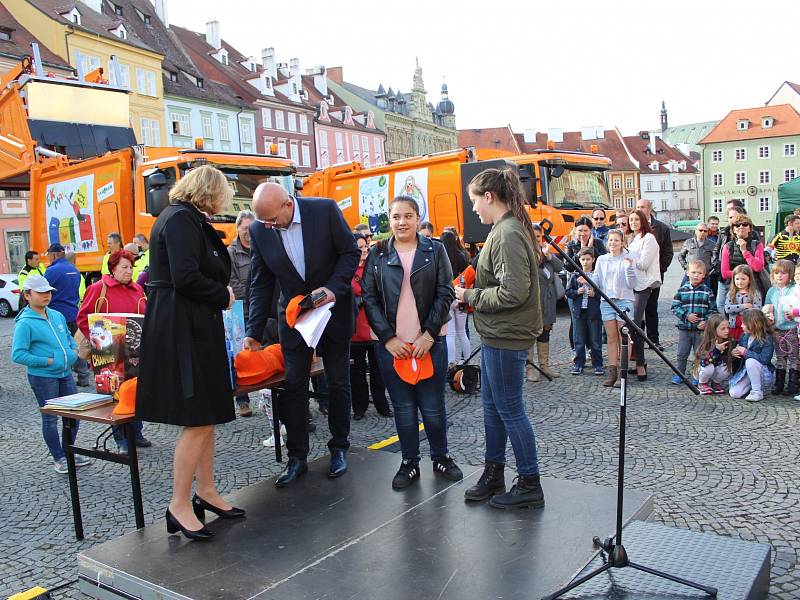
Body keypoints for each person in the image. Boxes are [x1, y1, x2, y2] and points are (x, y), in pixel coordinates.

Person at [137, 165, 243, 541]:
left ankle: (206, 491)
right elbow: (185, 276)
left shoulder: (185, 217)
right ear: (209, 192)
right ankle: (178, 504)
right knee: (197, 416)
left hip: (195, 324)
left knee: (207, 414)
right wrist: (223, 295)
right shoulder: (180, 219)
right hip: (184, 327)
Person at [245, 182, 360, 486]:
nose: (269, 226)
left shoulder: (324, 210)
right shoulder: (260, 230)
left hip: (332, 311)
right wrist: (253, 332)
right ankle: (298, 457)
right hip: (294, 319)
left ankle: (339, 448)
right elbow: (260, 283)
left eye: (272, 219)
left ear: (287, 204)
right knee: (293, 385)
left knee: (337, 382)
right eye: (264, 222)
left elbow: (350, 253)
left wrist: (333, 289)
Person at [454, 168, 545, 510]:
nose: (473, 208)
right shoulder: (504, 229)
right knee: (493, 408)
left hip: (507, 336)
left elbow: (514, 292)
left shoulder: (506, 233)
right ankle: (494, 474)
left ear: (489, 197)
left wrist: (470, 296)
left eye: (475, 201)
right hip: (498, 335)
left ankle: (530, 483)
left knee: (509, 409)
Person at [362, 196, 462, 490]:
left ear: (418, 218)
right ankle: (409, 463)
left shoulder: (436, 249)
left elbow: (445, 292)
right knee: (404, 408)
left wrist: (429, 334)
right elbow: (368, 298)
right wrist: (388, 338)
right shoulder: (378, 254)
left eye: (408, 216)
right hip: (392, 347)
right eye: (396, 217)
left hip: (431, 343)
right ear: (389, 220)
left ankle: (441, 457)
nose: (402, 222)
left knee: (432, 406)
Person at [11, 274, 92, 474]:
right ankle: (59, 457)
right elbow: (18, 354)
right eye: (41, 292)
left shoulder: (56, 315)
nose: (46, 295)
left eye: (48, 291)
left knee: (73, 414)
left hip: (64, 372)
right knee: (50, 419)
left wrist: (73, 352)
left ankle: (68, 452)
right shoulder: (25, 323)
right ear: (28, 295)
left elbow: (68, 337)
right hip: (43, 376)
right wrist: (48, 361)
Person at [77, 249, 149, 452]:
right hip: (109, 354)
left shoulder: (137, 289)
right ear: (113, 268)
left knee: (136, 391)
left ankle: (137, 432)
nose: (129, 271)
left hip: (136, 352)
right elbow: (83, 318)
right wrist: (99, 341)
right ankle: (122, 440)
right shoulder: (99, 288)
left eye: (131, 267)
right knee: (115, 396)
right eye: (124, 267)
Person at [350, 233, 391, 420]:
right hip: (355, 330)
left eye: (365, 247)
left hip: (375, 328)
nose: (364, 251)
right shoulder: (347, 270)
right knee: (356, 373)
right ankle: (360, 407)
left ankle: (382, 404)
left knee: (378, 370)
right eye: (360, 248)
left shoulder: (374, 268)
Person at [594, 229, 637, 387]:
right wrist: (587, 282)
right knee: (611, 338)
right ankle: (612, 372)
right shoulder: (602, 260)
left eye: (616, 240)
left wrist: (629, 268)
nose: (613, 243)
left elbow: (632, 284)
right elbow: (596, 280)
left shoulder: (628, 258)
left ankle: (623, 373)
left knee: (624, 338)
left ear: (622, 242)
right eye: (610, 240)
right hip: (606, 302)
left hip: (624, 301)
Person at [43, 243, 90, 387]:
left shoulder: (52, 271)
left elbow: (43, 291)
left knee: (60, 346)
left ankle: (65, 376)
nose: (49, 258)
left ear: (55, 254)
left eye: (49, 255)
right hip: (74, 313)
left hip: (57, 314)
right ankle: (84, 377)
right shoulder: (74, 270)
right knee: (75, 345)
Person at [228, 209, 256, 418]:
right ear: (238, 228)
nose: (248, 232)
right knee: (240, 356)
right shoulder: (230, 253)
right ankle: (243, 400)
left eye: (250, 228)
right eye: (245, 228)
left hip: (260, 310)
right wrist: (254, 292)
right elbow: (231, 281)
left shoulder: (261, 247)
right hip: (241, 310)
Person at [627, 209, 660, 380]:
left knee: (635, 324)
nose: (633, 222)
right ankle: (637, 361)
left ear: (643, 221)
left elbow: (643, 264)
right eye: (630, 219)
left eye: (636, 219)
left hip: (643, 285)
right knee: (632, 324)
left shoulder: (649, 238)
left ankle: (640, 363)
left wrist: (628, 258)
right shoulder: (633, 240)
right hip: (631, 285)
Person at [528, 224, 564, 381]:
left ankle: (544, 366)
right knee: (530, 334)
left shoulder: (545, 252)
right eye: (533, 236)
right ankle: (530, 368)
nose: (536, 239)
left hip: (548, 300)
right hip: (533, 300)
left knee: (545, 332)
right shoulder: (525, 252)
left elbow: (560, 267)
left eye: (538, 236)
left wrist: (549, 256)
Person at [670, 260, 716, 384]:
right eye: (693, 272)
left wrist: (706, 321)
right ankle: (679, 373)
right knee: (681, 353)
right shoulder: (682, 290)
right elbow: (674, 307)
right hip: (685, 328)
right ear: (687, 273)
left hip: (700, 330)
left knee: (699, 353)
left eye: (699, 273)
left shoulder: (707, 291)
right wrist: (686, 316)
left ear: (704, 275)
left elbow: (713, 310)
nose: (696, 275)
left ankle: (697, 375)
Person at [636, 199, 673, 350]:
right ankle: (638, 339)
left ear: (650, 209)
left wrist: (660, 269)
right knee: (637, 309)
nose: (640, 209)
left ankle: (653, 340)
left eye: (642, 207)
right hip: (636, 277)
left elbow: (668, 252)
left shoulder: (661, 228)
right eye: (637, 207)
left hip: (652, 276)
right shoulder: (633, 228)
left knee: (651, 308)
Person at [762, 259, 798, 396]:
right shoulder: (772, 291)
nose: (779, 276)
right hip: (777, 329)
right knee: (780, 356)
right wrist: (768, 315)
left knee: (794, 356)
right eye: (776, 273)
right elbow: (767, 306)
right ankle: (779, 383)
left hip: (792, 328)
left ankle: (793, 383)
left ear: (790, 274)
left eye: (783, 273)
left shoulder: (794, 289)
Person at [565, 248, 603, 376]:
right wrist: (577, 292)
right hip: (579, 312)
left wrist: (595, 294)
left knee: (595, 339)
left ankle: (598, 363)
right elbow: (568, 292)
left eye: (588, 259)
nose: (585, 262)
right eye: (583, 259)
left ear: (593, 260)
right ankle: (578, 363)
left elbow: (603, 292)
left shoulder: (597, 275)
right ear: (579, 260)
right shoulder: (575, 276)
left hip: (594, 312)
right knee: (579, 339)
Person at [729, 309, 774, 402]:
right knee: (734, 393)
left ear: (753, 324)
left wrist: (746, 352)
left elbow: (765, 359)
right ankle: (752, 385)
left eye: (744, 324)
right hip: (747, 371)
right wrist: (734, 353)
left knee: (751, 361)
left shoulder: (766, 338)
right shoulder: (744, 336)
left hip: (762, 370)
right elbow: (740, 356)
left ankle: (757, 391)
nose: (741, 326)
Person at [441, 230, 470, 365]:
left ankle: (451, 363)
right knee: (462, 332)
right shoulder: (462, 256)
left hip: (447, 297)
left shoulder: (441, 257)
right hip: (461, 296)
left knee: (450, 334)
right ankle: (467, 360)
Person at [720, 215, 767, 299]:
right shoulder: (727, 247)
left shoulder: (757, 244)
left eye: (745, 224)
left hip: (754, 287)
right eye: (737, 225)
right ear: (733, 230)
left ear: (749, 228)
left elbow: (758, 267)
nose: (741, 227)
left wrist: (745, 251)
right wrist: (742, 276)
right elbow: (724, 273)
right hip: (734, 288)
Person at [712, 205, 747, 313]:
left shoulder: (749, 231)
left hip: (743, 275)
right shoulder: (723, 232)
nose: (732, 220)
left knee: (740, 303)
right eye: (730, 217)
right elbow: (716, 250)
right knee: (721, 304)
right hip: (724, 276)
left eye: (734, 217)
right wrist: (717, 265)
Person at [694, 314, 732, 395]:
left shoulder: (728, 340)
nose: (727, 331)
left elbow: (727, 359)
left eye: (728, 327)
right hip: (702, 368)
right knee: (709, 367)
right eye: (723, 329)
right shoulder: (705, 340)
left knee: (727, 368)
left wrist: (732, 353)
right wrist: (716, 350)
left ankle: (716, 383)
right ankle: (702, 383)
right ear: (714, 330)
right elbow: (704, 361)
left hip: (716, 367)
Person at [724, 264, 762, 344]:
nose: (740, 282)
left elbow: (757, 310)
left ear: (749, 279)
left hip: (749, 328)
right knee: (733, 348)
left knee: (745, 348)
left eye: (743, 279)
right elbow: (727, 309)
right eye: (737, 279)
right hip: (733, 327)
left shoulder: (755, 293)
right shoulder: (731, 293)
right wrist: (744, 306)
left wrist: (737, 310)